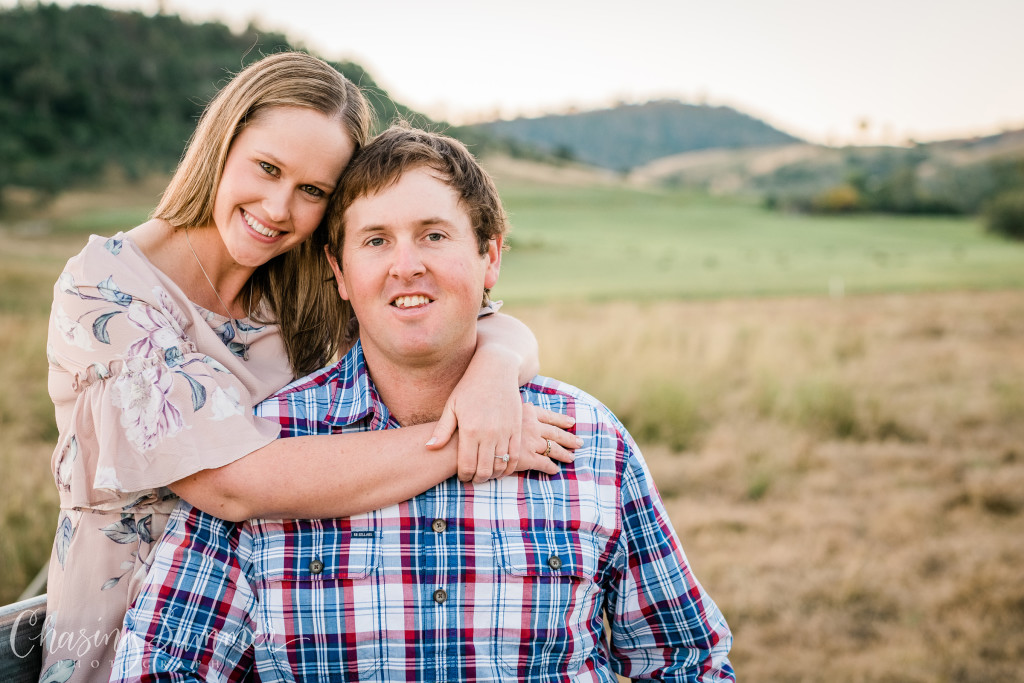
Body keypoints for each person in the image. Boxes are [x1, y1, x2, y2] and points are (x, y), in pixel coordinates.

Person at [111, 125, 735, 682]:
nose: (406, 266)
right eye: (376, 241)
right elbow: (163, 663)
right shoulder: (269, 439)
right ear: (339, 273)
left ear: (490, 257)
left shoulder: (588, 439)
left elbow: (688, 661)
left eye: (433, 235)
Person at [40, 54, 576, 683]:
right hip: (134, 631)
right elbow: (231, 484)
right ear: (221, 144)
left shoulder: (302, 286)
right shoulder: (108, 291)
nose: (277, 208)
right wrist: (466, 442)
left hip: (288, 622)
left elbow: (453, 318)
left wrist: (496, 370)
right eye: (267, 169)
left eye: (313, 191)